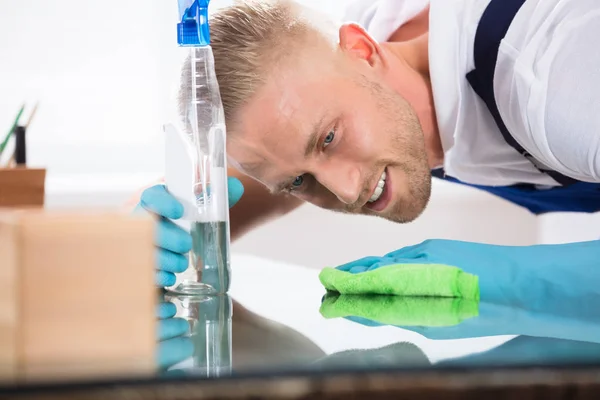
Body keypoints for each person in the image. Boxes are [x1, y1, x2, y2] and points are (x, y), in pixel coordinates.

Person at [137, 0, 600, 286]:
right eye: (299, 181)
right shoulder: (341, 69)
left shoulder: (555, 85)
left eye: (330, 139)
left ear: (363, 49)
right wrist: (143, 241)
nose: (344, 191)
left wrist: (519, 277)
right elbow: (265, 159)